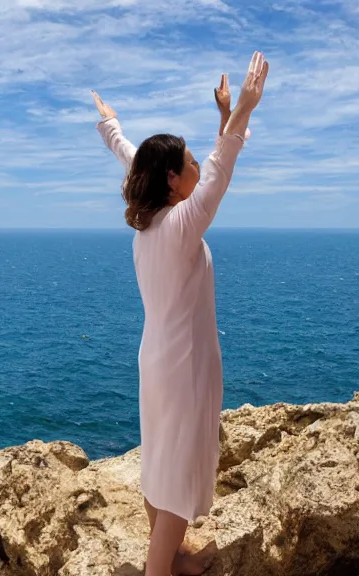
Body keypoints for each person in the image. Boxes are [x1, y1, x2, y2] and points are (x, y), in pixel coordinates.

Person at [92, 52, 269, 576]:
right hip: (187, 366)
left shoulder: (151, 222)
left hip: (156, 360)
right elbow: (221, 166)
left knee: (159, 463)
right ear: (172, 179)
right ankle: (158, 569)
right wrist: (244, 110)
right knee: (178, 468)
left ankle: (172, 554)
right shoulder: (182, 224)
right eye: (188, 162)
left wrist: (110, 124)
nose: (197, 164)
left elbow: (130, 155)